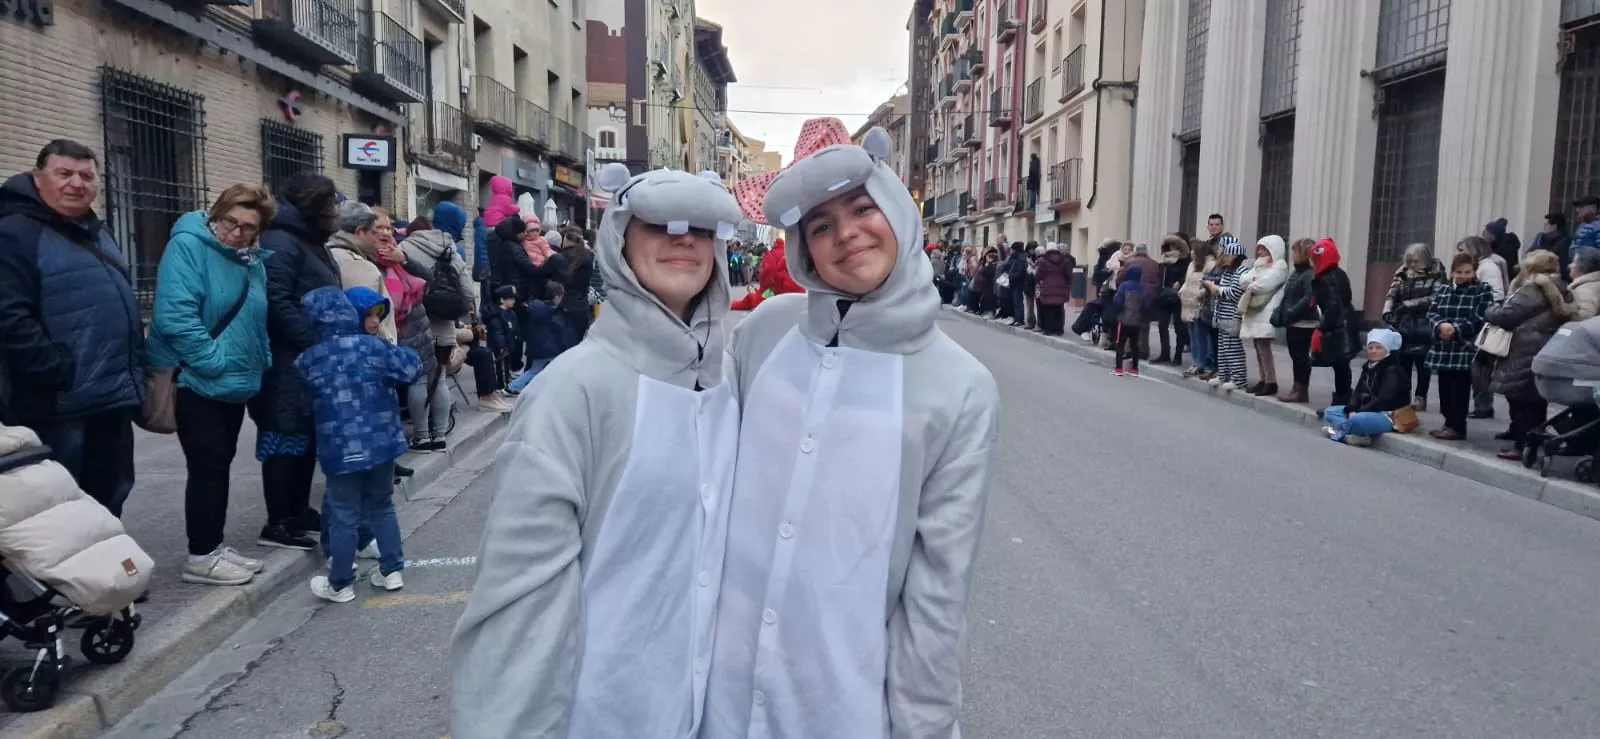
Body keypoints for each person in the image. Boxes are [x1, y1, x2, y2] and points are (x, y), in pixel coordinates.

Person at [703, 121, 999, 738]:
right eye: (820, 226)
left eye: (862, 208)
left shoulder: (959, 386)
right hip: (716, 694)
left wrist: (925, 727)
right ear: (802, 250)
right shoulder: (765, 333)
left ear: (896, 210)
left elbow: (937, 593)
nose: (846, 234)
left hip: (838, 705)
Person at [451, 166, 743, 738]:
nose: (683, 238)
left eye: (702, 228)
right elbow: (520, 597)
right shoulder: (573, 388)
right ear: (620, 241)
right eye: (659, 223)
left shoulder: (732, 379)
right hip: (603, 711)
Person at [0, 139, 143, 516]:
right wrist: (56, 371)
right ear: (37, 178)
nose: (76, 183)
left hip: (110, 396)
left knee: (109, 496)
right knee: (60, 510)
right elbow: (10, 316)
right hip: (59, 405)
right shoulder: (13, 232)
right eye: (63, 174)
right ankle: (59, 579)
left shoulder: (98, 231)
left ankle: (103, 575)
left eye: (86, 175)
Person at [147, 184, 275, 585]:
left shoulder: (251, 261)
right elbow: (174, 316)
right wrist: (213, 362)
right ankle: (200, 555)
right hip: (196, 380)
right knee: (207, 465)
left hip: (233, 381)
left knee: (219, 465)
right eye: (229, 222)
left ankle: (213, 546)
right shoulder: (188, 246)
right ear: (214, 215)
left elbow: (256, 315)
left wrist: (261, 357)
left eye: (247, 228)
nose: (235, 233)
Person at [295, 286, 420, 603]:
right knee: (382, 505)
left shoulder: (308, 360)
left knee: (343, 515)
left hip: (339, 447)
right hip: (382, 441)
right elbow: (411, 368)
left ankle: (341, 583)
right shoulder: (374, 348)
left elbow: (303, 405)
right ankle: (392, 571)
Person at [253, 172, 342, 550]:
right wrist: (310, 338)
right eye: (332, 205)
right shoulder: (282, 242)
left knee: (305, 439)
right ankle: (278, 521)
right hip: (287, 362)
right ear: (315, 206)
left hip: (310, 361)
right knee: (283, 437)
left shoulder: (309, 242)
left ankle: (298, 510)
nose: (337, 212)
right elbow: (277, 300)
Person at [1426, 251, 1496, 440]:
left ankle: (1457, 426)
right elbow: (1432, 312)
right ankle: (1447, 422)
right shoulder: (1444, 289)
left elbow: (1481, 316)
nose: (1463, 276)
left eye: (1467, 272)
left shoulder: (1483, 290)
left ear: (1474, 272)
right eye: (1459, 272)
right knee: (1444, 387)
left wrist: (1455, 329)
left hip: (1465, 347)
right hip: (1442, 345)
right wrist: (1440, 326)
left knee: (1459, 389)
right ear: (1452, 272)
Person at [1382, 243, 1445, 411]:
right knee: (1403, 362)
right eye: (1409, 261)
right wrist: (1387, 310)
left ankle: (1420, 396)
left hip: (1426, 321)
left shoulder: (1437, 273)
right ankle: (1403, 396)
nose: (1411, 265)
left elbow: (1437, 297)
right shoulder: (1402, 272)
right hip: (1404, 322)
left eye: (1415, 261)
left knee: (1423, 363)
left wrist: (1411, 304)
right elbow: (1392, 292)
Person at [1321, 328, 1411, 445]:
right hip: (1366, 410)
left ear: (1387, 350)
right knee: (1330, 412)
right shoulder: (1368, 367)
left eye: (1378, 348)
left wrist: (1359, 412)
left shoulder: (1392, 370)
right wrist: (1352, 408)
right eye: (1370, 347)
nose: (1373, 351)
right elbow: (1358, 392)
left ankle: (1339, 432)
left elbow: (1385, 400)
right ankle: (1357, 436)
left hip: (1389, 416)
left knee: (1358, 419)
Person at [505, 281, 575, 395]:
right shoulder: (553, 313)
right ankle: (513, 387)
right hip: (549, 348)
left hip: (538, 347)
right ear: (556, 297)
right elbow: (560, 332)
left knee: (537, 369)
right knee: (538, 370)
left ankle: (516, 387)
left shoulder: (537, 310)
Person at [1273, 238, 1319, 403]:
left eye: (1294, 252)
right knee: (1295, 355)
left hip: (1304, 322)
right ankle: (1296, 387)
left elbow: (1309, 298)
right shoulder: (1297, 272)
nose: (1292, 256)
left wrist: (1292, 312)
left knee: (1300, 357)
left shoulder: (1309, 274)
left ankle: (1301, 389)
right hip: (1293, 321)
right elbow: (1289, 295)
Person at [1205, 235, 1250, 391]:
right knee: (1223, 348)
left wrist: (1216, 289)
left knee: (1233, 348)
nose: (1224, 258)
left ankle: (1239, 379)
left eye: (1228, 255)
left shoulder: (1242, 271)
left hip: (1232, 315)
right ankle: (1223, 375)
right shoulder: (1228, 271)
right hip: (1222, 314)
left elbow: (1235, 292)